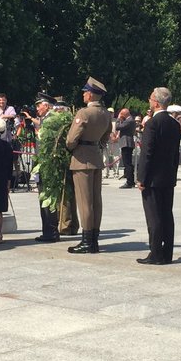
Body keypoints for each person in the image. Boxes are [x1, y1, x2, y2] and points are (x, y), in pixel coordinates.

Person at [65, 77, 114, 254]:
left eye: (85, 92)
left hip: (82, 158)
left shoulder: (83, 113)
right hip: (95, 156)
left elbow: (71, 139)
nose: (84, 95)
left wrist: (70, 147)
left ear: (91, 94)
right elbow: (107, 135)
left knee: (85, 202)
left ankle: (87, 241)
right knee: (96, 201)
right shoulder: (105, 114)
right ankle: (94, 238)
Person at [136, 86, 181, 265]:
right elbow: (175, 154)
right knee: (166, 215)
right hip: (167, 176)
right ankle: (167, 252)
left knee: (153, 216)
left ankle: (155, 253)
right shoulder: (174, 124)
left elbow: (147, 153)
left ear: (155, 102)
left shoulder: (152, 124)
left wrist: (141, 178)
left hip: (153, 178)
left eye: (150, 99)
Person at [32, 93, 61, 242]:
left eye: (39, 105)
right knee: (46, 198)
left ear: (47, 105)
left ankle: (50, 232)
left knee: (46, 198)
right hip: (45, 164)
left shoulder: (50, 120)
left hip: (47, 165)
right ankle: (50, 231)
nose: (37, 108)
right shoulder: (46, 119)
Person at [114, 107, 137, 188]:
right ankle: (131, 180)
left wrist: (118, 118)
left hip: (126, 143)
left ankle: (129, 181)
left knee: (127, 163)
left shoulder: (129, 120)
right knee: (128, 163)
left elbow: (117, 127)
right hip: (127, 143)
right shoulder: (130, 120)